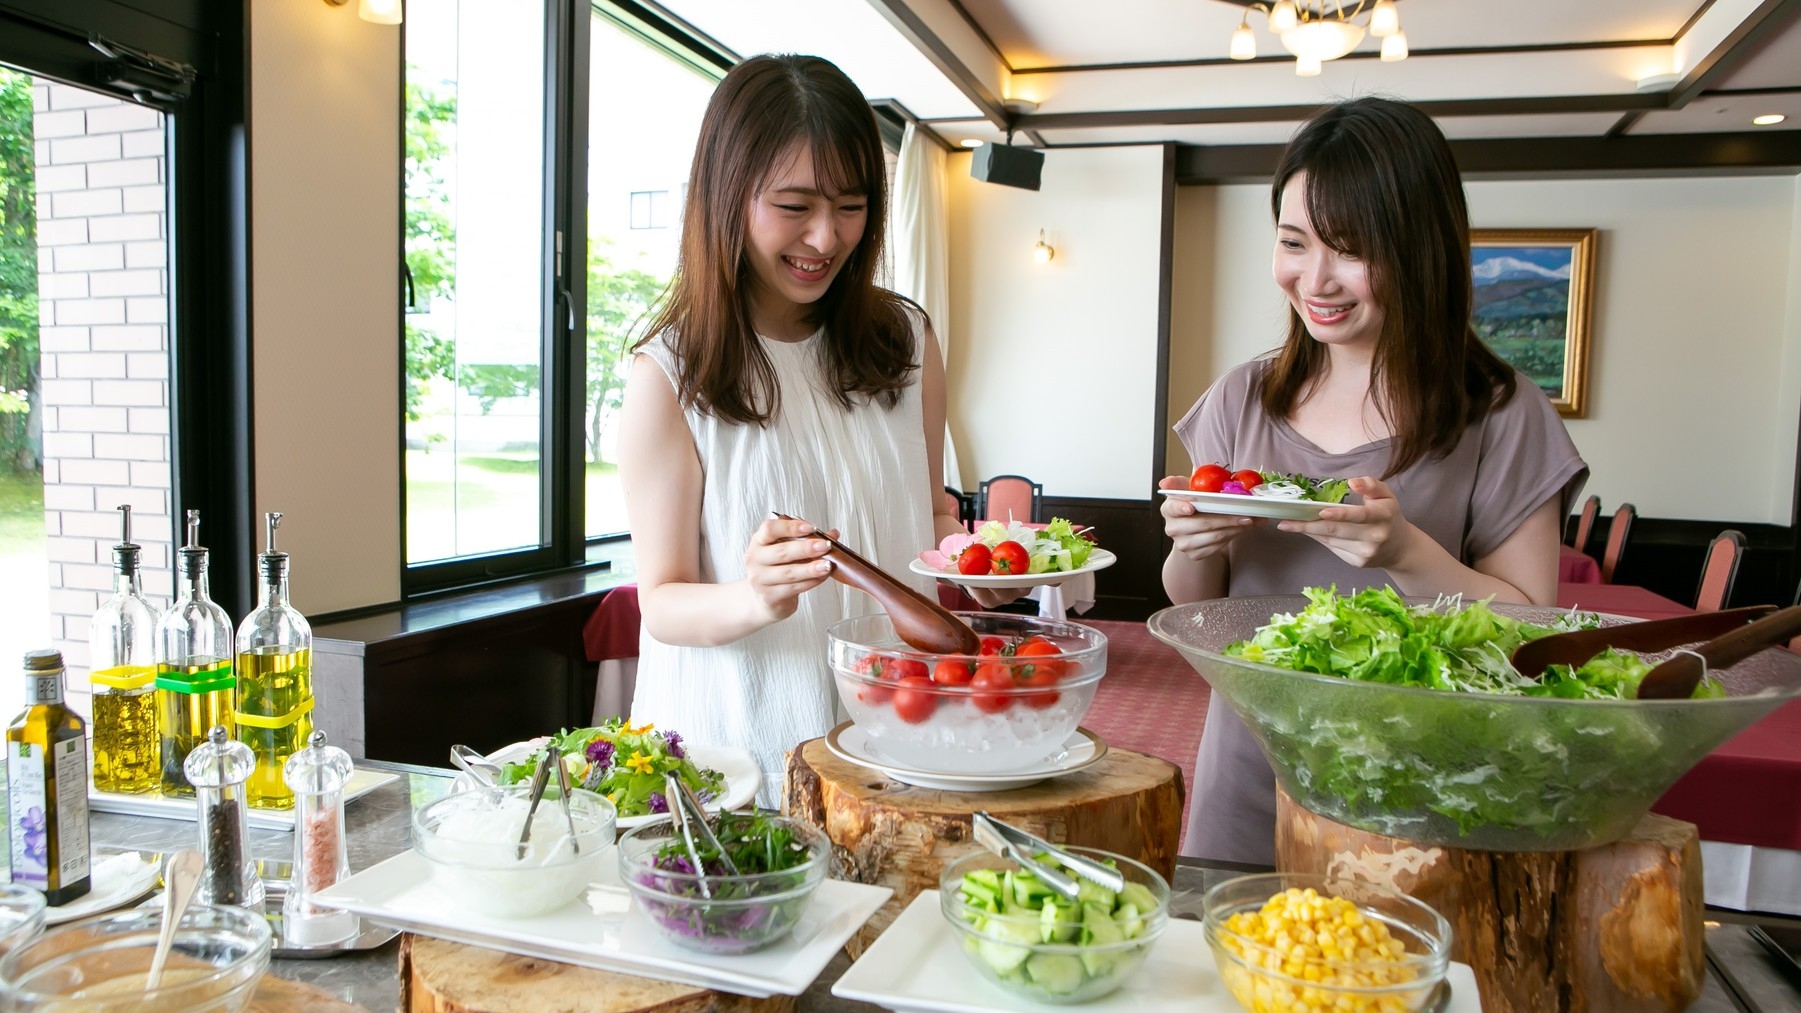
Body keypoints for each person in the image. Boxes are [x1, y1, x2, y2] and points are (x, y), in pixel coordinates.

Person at [1160, 97, 1587, 864]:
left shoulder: (1497, 413)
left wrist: (1404, 551)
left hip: (1420, 788)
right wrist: (1192, 540)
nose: (1313, 278)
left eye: (1350, 249)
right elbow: (1198, 603)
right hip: (1248, 774)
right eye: (1293, 242)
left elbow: (1535, 635)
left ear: (1420, 248)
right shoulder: (1240, 397)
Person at [616, 54, 971, 803]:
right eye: (794, 205)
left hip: (892, 736)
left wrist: (969, 566)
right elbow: (663, 601)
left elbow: (927, 513)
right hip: (739, 749)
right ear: (727, 196)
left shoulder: (906, 342)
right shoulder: (669, 375)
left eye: (850, 205)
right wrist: (755, 595)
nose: (825, 237)